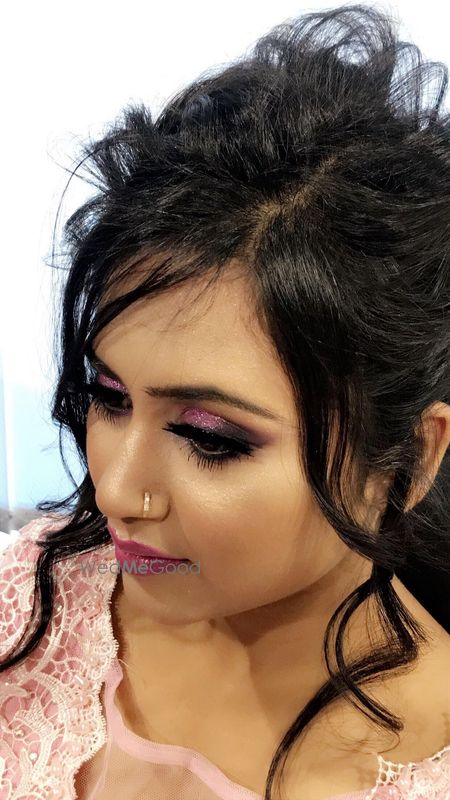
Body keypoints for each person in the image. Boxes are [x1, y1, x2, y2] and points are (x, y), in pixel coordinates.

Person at [1, 4, 450, 799]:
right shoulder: (28, 601)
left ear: (409, 459)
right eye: (109, 397)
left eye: (209, 438)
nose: (115, 491)